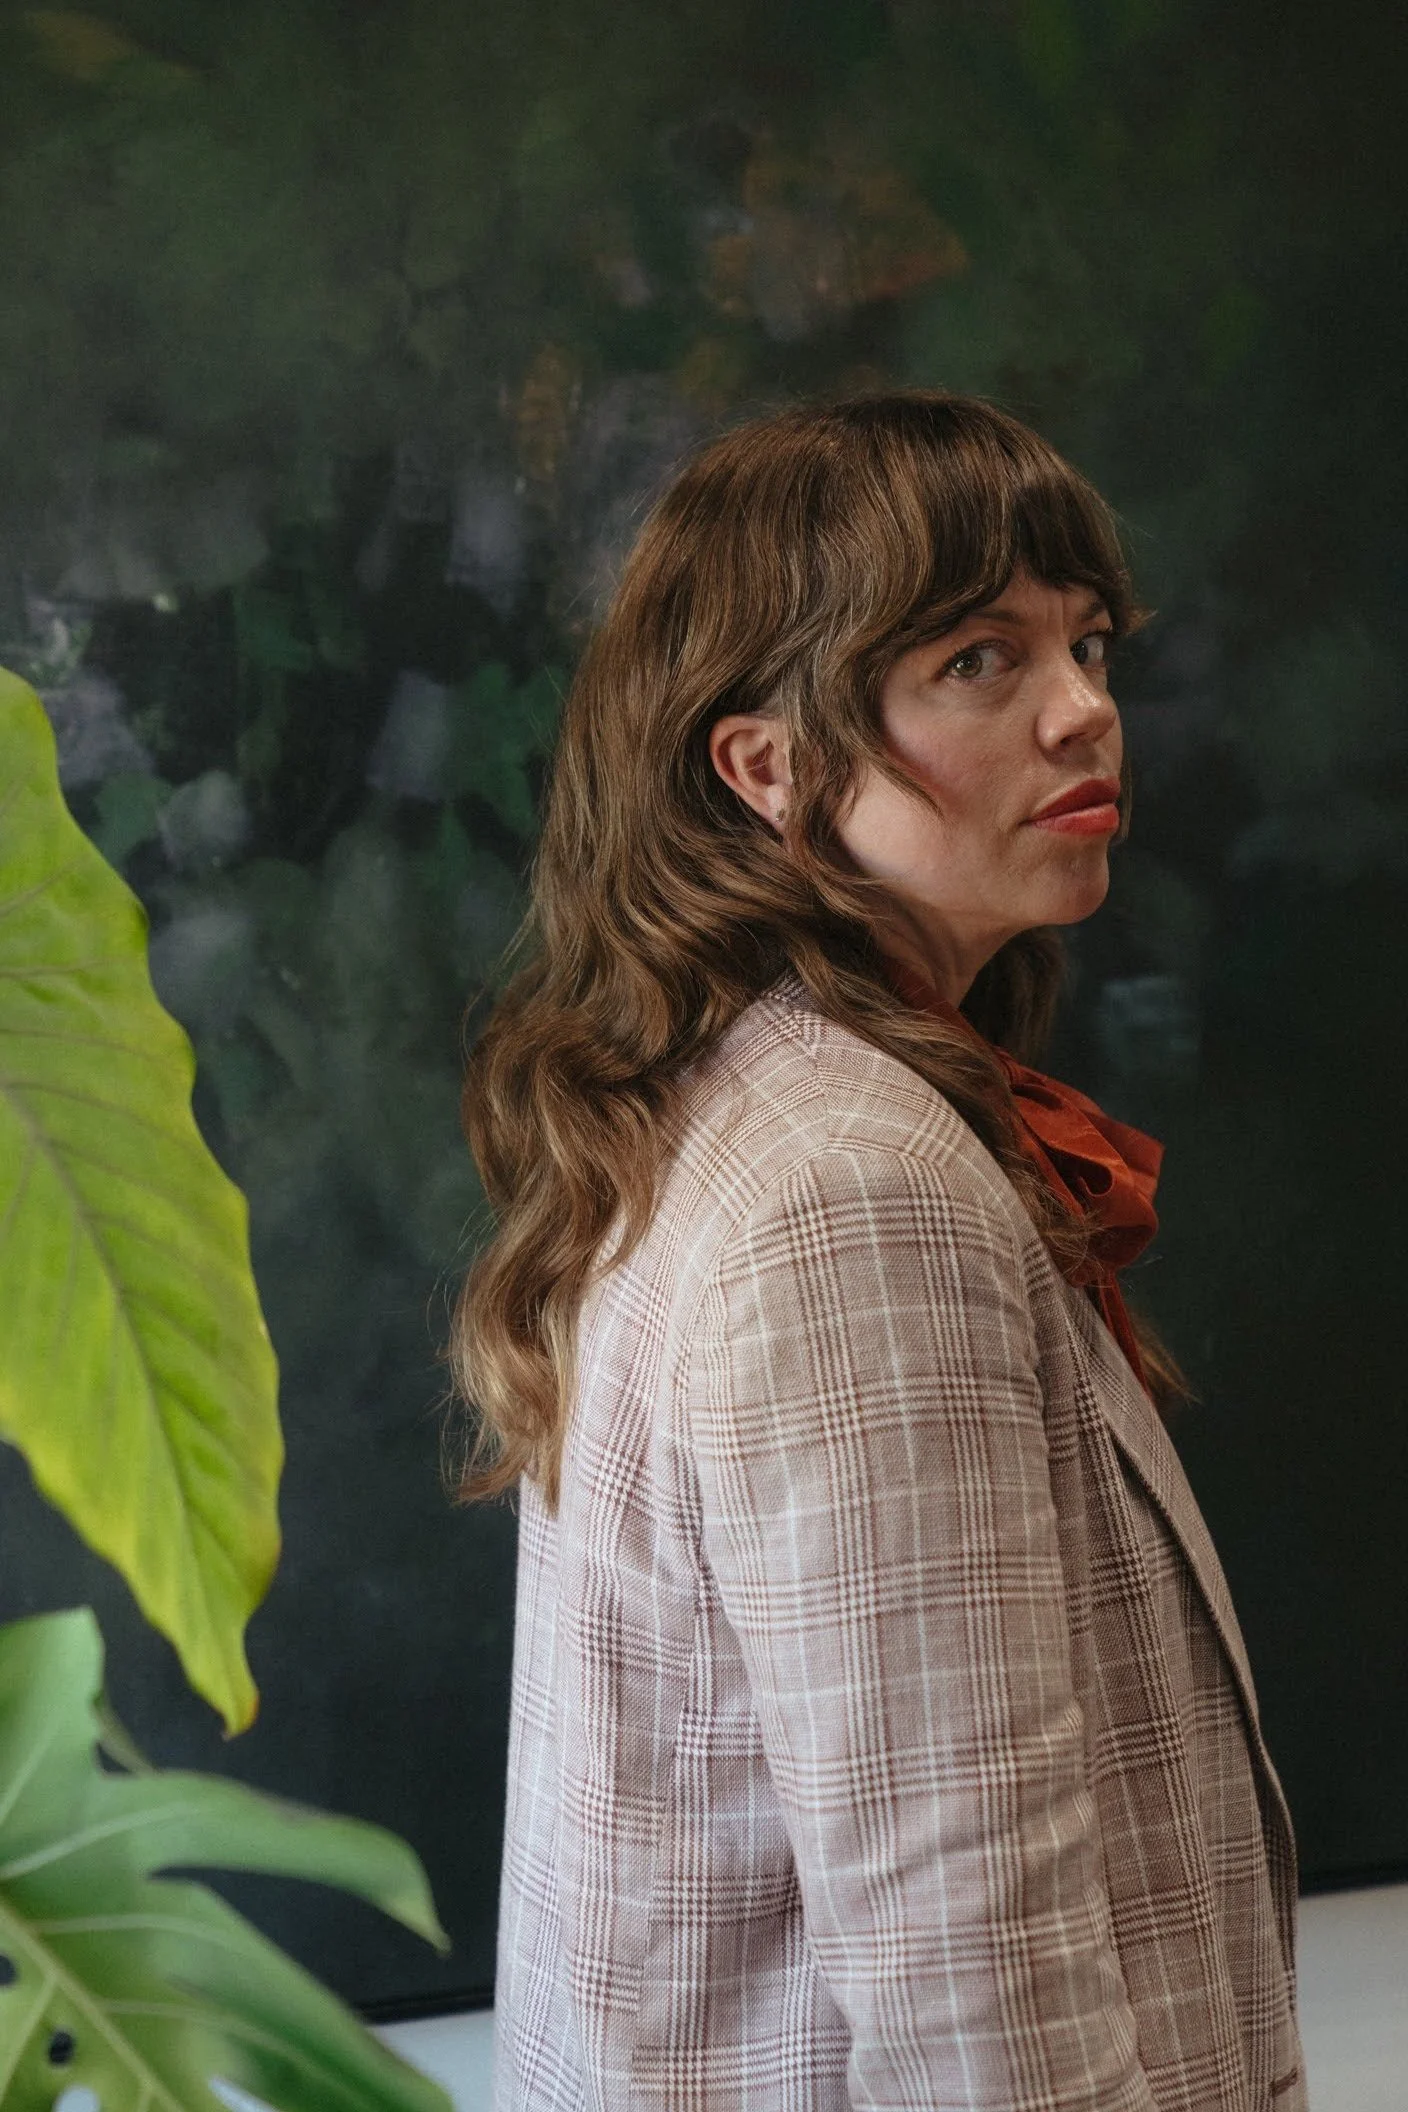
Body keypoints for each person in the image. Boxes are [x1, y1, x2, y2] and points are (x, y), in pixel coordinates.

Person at [454, 392, 1306, 2110]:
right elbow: (970, 1975)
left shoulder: (746, 1102)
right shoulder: (853, 1193)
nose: (1083, 710)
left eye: (1086, 643)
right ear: (766, 767)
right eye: (978, 662)